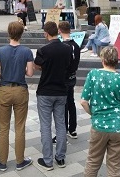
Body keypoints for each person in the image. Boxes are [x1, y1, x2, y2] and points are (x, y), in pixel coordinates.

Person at [81, 46, 120, 177]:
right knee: (115, 166)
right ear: (116, 61)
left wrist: (94, 114)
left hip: (99, 126)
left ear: (102, 59)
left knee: (93, 161)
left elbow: (83, 102)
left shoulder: (93, 75)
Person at [0, 21, 34, 171]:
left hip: (4, 90)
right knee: (20, 127)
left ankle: (2, 162)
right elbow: (30, 73)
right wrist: (20, 70)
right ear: (21, 33)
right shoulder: (27, 51)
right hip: (20, 90)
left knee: (3, 127)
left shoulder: (0, 51)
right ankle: (20, 161)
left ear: (8, 33)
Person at [34, 21, 72, 171]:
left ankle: (47, 160)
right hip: (61, 91)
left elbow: (37, 66)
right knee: (61, 124)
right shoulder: (67, 49)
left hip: (45, 91)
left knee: (45, 126)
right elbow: (68, 66)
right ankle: (60, 158)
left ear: (46, 33)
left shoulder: (43, 50)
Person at [56, 21, 81, 141]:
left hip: (63, 78)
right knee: (71, 102)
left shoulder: (62, 46)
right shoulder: (76, 45)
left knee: (62, 105)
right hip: (72, 77)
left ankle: (63, 130)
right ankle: (73, 129)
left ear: (60, 30)